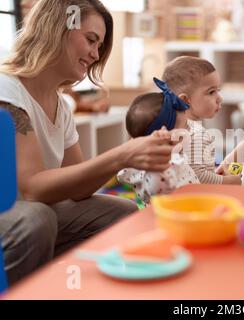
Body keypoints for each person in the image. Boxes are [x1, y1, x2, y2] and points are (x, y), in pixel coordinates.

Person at [0, 0, 173, 286]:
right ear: (57, 28)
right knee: (37, 219)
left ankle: (60, 282)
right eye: (91, 40)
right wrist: (120, 156)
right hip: (15, 214)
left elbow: (78, 190)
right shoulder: (8, 90)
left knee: (123, 214)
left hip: (33, 214)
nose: (95, 54)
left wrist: (130, 154)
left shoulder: (61, 106)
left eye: (99, 46)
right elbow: (32, 188)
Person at [117, 78, 199, 204]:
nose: (188, 130)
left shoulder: (171, 157)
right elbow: (157, 188)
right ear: (164, 136)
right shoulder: (160, 166)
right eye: (185, 126)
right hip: (174, 215)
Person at [162, 56, 242, 185]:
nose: (219, 98)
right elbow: (199, 178)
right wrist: (231, 181)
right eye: (211, 92)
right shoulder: (196, 134)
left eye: (218, 90)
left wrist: (214, 174)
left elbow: (191, 172)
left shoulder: (171, 127)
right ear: (185, 100)